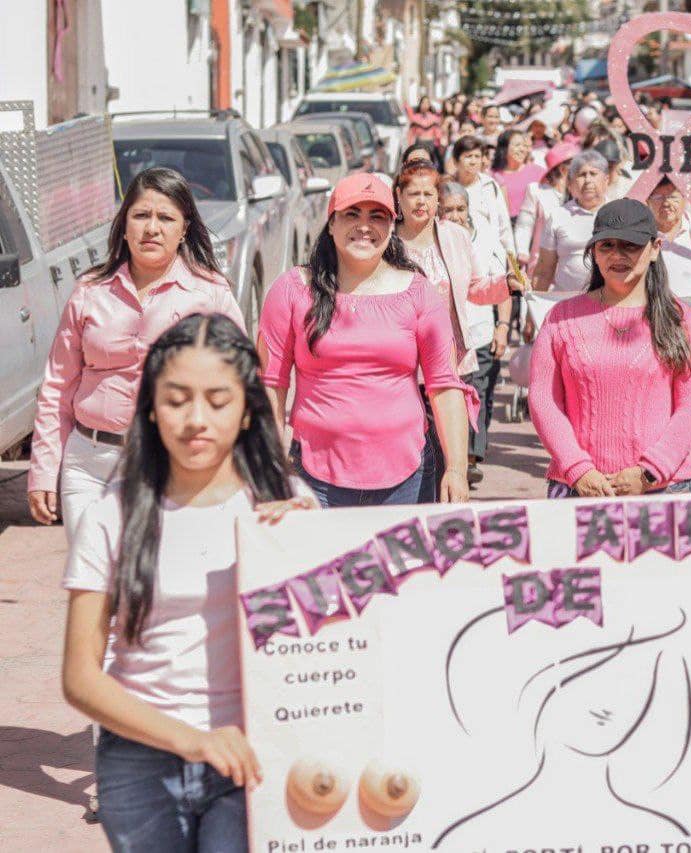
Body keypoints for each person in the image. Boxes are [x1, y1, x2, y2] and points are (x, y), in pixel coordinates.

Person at [61, 313, 317, 852]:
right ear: (151, 409)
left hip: (256, 755)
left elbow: (333, 641)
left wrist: (315, 546)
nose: (196, 419)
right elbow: (80, 678)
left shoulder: (288, 509)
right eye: (176, 400)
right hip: (140, 762)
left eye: (218, 401)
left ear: (249, 411)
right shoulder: (114, 514)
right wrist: (193, 741)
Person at [27, 166, 244, 540]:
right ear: (124, 224)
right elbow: (58, 387)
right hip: (89, 467)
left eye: (165, 218)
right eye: (141, 215)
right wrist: (45, 469)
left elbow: (241, 383)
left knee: (157, 586)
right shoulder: (90, 291)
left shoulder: (210, 294)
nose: (152, 228)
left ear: (184, 228)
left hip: (173, 464)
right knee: (96, 586)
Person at [258, 173, 476, 507]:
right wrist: (270, 470)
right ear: (331, 224)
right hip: (315, 481)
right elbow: (270, 385)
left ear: (391, 227)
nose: (364, 226)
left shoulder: (419, 292)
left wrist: (457, 470)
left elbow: (445, 386)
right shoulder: (292, 289)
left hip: (408, 478)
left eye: (376, 216)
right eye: (351, 214)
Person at [529, 198, 691, 497]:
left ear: (655, 249)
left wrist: (651, 471)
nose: (618, 255)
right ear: (594, 253)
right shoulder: (561, 318)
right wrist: (577, 468)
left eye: (630, 245)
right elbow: (544, 400)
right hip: (578, 488)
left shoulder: (681, 320)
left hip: (664, 489)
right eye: (607, 246)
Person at [394, 162, 513, 498]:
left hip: (449, 363)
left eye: (428, 194)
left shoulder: (455, 236)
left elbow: (475, 287)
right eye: (413, 193)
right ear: (398, 198)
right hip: (401, 365)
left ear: (437, 199)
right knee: (411, 456)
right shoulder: (386, 241)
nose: (421, 202)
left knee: (448, 455)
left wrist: (507, 285)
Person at [438, 181, 513, 486]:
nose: (455, 216)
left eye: (460, 209)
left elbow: (497, 282)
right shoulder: (428, 239)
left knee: (476, 394)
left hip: (478, 332)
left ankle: (469, 460)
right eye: (449, 210)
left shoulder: (484, 233)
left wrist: (503, 326)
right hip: (441, 341)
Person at [531, 150, 611, 293]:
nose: (587, 180)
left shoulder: (619, 214)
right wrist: (533, 310)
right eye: (581, 175)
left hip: (608, 305)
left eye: (593, 174)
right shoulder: (558, 216)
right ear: (571, 183)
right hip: (566, 304)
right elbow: (543, 271)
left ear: (606, 179)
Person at [514, 141, 578, 272]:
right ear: (563, 169)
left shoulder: (580, 193)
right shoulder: (537, 191)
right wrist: (522, 250)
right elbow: (524, 225)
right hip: (541, 265)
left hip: (571, 267)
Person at [451, 135, 514, 255]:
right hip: (458, 256)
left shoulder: (490, 186)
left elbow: (504, 227)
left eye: (477, 156)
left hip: (491, 259)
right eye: (468, 156)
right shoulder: (447, 188)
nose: (473, 161)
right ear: (455, 161)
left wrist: (512, 262)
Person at [490, 129, 546, 222]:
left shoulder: (539, 172)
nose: (522, 149)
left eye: (524, 145)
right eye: (517, 145)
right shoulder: (493, 176)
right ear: (504, 148)